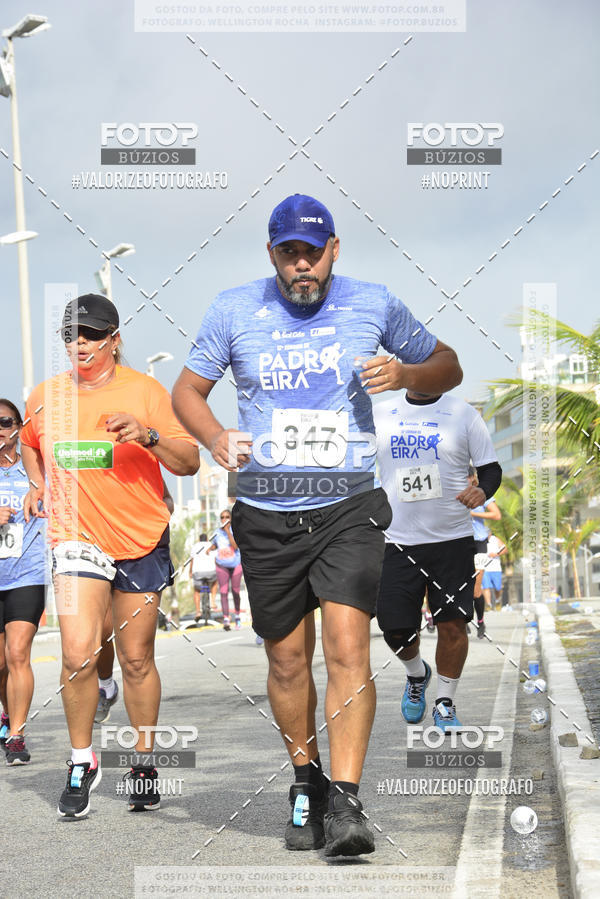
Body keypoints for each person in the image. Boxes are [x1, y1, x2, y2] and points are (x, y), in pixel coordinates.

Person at [172, 193, 463, 856]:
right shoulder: (233, 309)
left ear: (335, 249)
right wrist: (216, 436)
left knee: (346, 648)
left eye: (312, 250)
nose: (301, 264)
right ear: (271, 254)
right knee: (286, 657)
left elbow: (446, 364)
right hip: (267, 509)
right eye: (288, 252)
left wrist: (408, 372)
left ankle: (349, 803)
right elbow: (186, 390)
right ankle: (307, 782)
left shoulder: (374, 303)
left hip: (348, 505)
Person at [21, 294, 199, 817]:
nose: (80, 343)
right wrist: (37, 483)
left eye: (92, 334)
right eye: (71, 334)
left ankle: (143, 761)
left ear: (114, 339)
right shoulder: (46, 395)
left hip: (140, 537)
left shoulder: (145, 391)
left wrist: (146, 436)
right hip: (75, 537)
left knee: (136, 657)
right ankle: (82, 760)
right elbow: (31, 441)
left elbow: (188, 461)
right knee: (77, 653)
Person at [374, 385, 501, 732]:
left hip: (452, 540)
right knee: (394, 627)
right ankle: (417, 674)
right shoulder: (381, 413)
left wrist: (482, 491)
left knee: (453, 624)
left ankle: (444, 702)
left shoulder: (462, 413)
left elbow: (491, 469)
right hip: (397, 541)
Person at [94, 480, 175, 724]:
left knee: (136, 658)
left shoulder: (137, 447)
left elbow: (167, 500)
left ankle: (143, 760)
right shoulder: (79, 448)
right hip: (89, 546)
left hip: (137, 551)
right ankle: (106, 685)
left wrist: (146, 518)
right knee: (100, 633)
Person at [0, 399, 48, 765]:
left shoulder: (34, 471)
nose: (0, 430)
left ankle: (16, 734)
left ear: (18, 426)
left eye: (5, 422)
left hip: (27, 574)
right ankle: (7, 715)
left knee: (18, 653)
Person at [468, 469, 501, 625]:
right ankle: (464, 621)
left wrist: (474, 514)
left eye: (467, 477)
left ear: (472, 478)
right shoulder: (453, 494)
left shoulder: (482, 493)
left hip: (479, 543)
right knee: (459, 586)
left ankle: (480, 620)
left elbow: (496, 515)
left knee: (475, 588)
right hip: (460, 543)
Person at [208, 509, 243, 631]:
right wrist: (209, 549)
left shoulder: (236, 531)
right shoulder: (216, 533)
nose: (224, 519)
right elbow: (215, 544)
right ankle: (226, 618)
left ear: (231, 518)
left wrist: (228, 531)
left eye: (227, 517)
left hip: (236, 564)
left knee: (235, 591)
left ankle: (237, 615)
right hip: (221, 564)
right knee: (223, 592)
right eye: (222, 517)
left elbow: (235, 546)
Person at [188, 529, 218, 624]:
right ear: (207, 539)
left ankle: (198, 612)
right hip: (210, 572)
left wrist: (190, 572)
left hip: (198, 573)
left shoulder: (195, 546)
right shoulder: (211, 545)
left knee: (196, 591)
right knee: (215, 582)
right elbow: (215, 559)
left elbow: (192, 560)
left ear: (199, 540)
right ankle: (213, 601)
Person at [482, 533, 507, 610]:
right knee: (486, 587)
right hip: (484, 568)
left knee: (498, 588)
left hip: (496, 568)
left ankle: (497, 601)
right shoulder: (479, 539)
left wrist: (496, 554)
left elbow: (505, 550)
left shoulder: (495, 539)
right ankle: (488, 605)